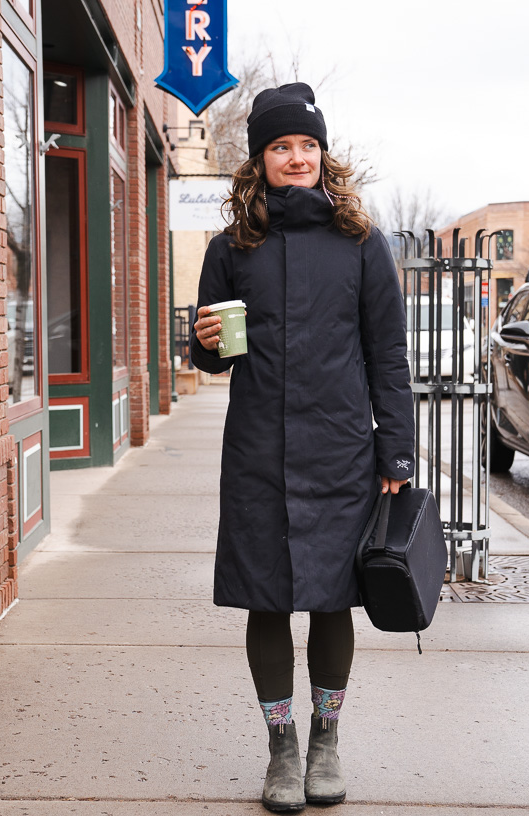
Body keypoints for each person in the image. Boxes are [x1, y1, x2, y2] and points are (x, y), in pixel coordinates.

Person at [189, 82, 414, 812]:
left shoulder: (361, 245)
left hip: (341, 449)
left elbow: (389, 357)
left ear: (323, 155)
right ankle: (279, 750)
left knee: (330, 601)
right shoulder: (232, 248)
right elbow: (217, 359)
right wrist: (202, 344)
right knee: (265, 599)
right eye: (282, 146)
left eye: (308, 146)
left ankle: (326, 743)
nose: (296, 157)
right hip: (257, 447)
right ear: (260, 158)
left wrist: (396, 456)